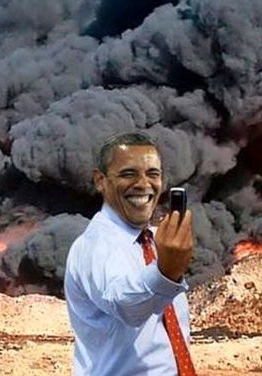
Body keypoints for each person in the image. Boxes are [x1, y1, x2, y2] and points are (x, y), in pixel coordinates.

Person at [64, 131, 196, 375]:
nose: (144, 184)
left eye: (153, 174)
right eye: (128, 174)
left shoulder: (157, 241)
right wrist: (165, 273)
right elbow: (125, 306)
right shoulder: (94, 246)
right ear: (100, 180)